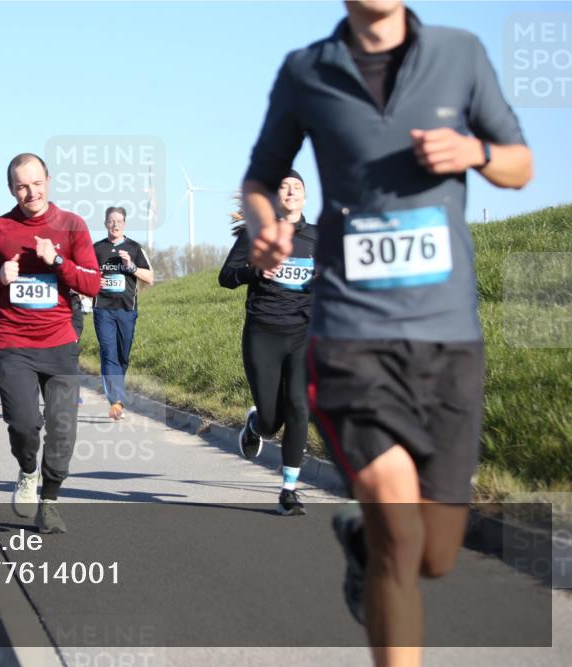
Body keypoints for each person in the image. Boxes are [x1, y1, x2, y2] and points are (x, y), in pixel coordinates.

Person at [241, 2, 532, 663]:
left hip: (447, 337)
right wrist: (264, 225)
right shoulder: (306, 70)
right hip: (351, 335)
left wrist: (476, 152)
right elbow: (259, 177)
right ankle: (379, 543)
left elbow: (520, 164)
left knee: (435, 553)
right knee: (401, 535)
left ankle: (362, 543)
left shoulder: (460, 53)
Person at [0, 153, 100, 534]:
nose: (31, 193)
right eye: (22, 187)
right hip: (13, 343)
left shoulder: (72, 225)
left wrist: (57, 261)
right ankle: (28, 471)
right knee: (25, 424)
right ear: (11, 189)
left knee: (62, 430)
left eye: (37, 183)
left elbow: (93, 283)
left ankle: (50, 501)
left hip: (59, 343)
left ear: (49, 180)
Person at [219, 171, 317, 516]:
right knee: (272, 421)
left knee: (299, 407)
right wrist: (255, 271)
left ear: (304, 197)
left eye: (297, 187)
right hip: (263, 333)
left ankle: (289, 490)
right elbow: (226, 277)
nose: (290, 191)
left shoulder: (317, 238)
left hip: (303, 333)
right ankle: (255, 425)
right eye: (284, 187)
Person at [92, 206, 154, 421]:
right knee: (109, 353)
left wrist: (131, 266)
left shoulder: (134, 248)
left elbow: (150, 278)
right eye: (111, 221)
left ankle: (116, 393)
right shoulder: (96, 249)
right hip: (103, 308)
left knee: (122, 356)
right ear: (105, 224)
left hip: (127, 309)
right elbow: (85, 274)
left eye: (119, 221)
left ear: (125, 224)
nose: (115, 224)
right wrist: (95, 281)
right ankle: (116, 400)